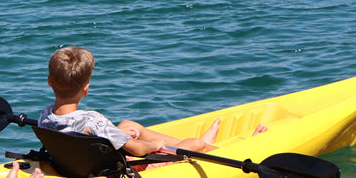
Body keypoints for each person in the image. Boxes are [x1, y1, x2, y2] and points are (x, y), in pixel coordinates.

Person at [38, 46, 224, 158]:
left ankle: (194, 142)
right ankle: (217, 148)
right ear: (86, 88)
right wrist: (153, 145)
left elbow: (78, 131)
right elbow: (137, 150)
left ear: (49, 82)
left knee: (129, 125)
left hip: (84, 158)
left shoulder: (45, 116)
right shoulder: (94, 121)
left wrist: (116, 134)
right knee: (196, 144)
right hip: (128, 167)